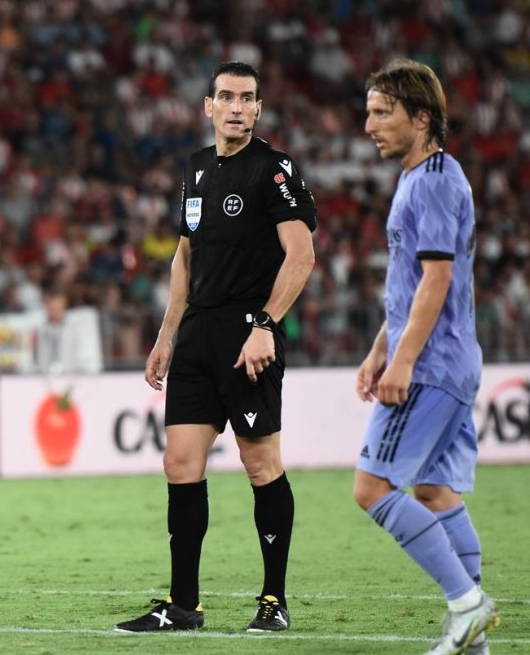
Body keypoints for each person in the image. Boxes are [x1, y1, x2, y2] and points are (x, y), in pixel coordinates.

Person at [115, 62, 317, 634]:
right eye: (225, 97)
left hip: (247, 334)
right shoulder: (196, 169)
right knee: (179, 464)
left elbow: (300, 255)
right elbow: (185, 257)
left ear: (257, 108)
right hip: (198, 335)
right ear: (208, 106)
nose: (235, 107)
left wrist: (266, 325)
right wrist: (166, 332)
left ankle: (273, 602)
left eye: (247, 98)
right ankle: (183, 607)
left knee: (260, 464)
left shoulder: (273, 170)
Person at [353, 59, 499, 655]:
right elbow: (411, 282)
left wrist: (404, 361)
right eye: (368, 111)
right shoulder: (421, 176)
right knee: (436, 491)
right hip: (451, 358)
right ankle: (476, 641)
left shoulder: (436, 179)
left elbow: (436, 279)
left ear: (422, 117)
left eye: (382, 112)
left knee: (371, 487)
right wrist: (379, 349)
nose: (369, 125)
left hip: (434, 364)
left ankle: (467, 606)